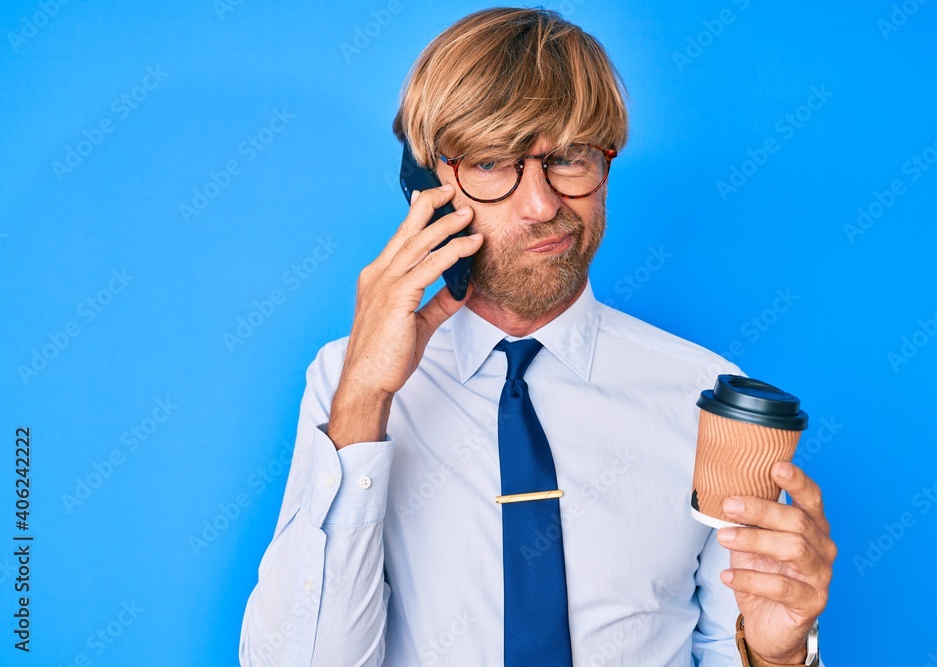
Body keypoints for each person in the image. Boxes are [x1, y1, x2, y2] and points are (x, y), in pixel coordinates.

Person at [239, 8, 835, 666]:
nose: (542, 204)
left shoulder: (706, 400)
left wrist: (777, 654)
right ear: (427, 184)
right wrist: (363, 402)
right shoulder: (347, 384)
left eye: (569, 157)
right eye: (494, 163)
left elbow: (735, 646)